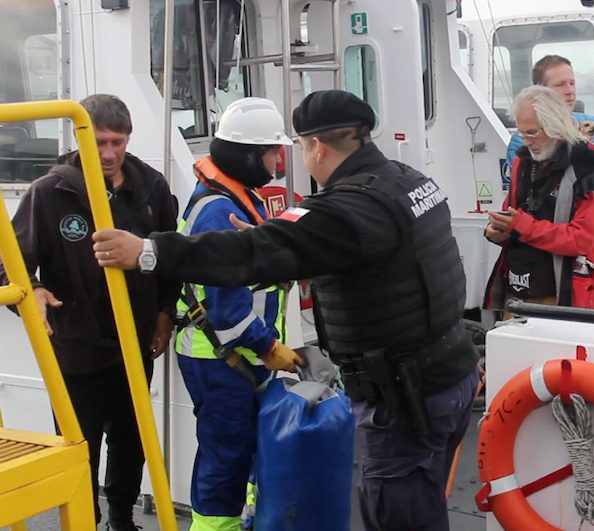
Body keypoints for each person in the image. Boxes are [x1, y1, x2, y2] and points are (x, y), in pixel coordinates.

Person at [92, 90, 481, 531]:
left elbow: (261, 248)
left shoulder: (345, 209)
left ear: (316, 146)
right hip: (450, 374)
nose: (285, 160)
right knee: (422, 500)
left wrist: (147, 251)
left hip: (405, 396)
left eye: (293, 147)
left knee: (400, 514)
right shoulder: (409, 181)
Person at [0, 94, 178, 530]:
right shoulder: (50, 193)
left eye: (118, 141)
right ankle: (83, 522)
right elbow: (10, 262)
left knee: (132, 441)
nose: (109, 153)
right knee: (80, 446)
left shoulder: (152, 187)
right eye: (99, 142)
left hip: (134, 344)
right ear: (80, 138)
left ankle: (122, 519)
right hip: (76, 347)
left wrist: (164, 312)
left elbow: (172, 254)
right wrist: (34, 290)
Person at [172, 97, 302, 531]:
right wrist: (270, 348)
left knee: (237, 451)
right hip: (221, 358)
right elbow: (228, 313)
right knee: (225, 459)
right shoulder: (219, 212)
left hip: (233, 358)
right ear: (248, 156)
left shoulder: (236, 198)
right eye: (270, 152)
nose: (276, 161)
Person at [506, 54, 594, 309]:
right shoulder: (522, 147)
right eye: (560, 85)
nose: (569, 91)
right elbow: (525, 198)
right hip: (541, 260)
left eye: (572, 83)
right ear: (541, 92)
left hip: (591, 255)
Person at [484, 85, 594, 313]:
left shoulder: (589, 168)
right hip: (517, 289)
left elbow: (583, 240)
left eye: (532, 133)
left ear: (554, 125)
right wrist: (496, 231)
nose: (526, 141)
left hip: (563, 297)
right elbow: (511, 215)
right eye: (521, 133)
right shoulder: (521, 164)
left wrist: (521, 225)